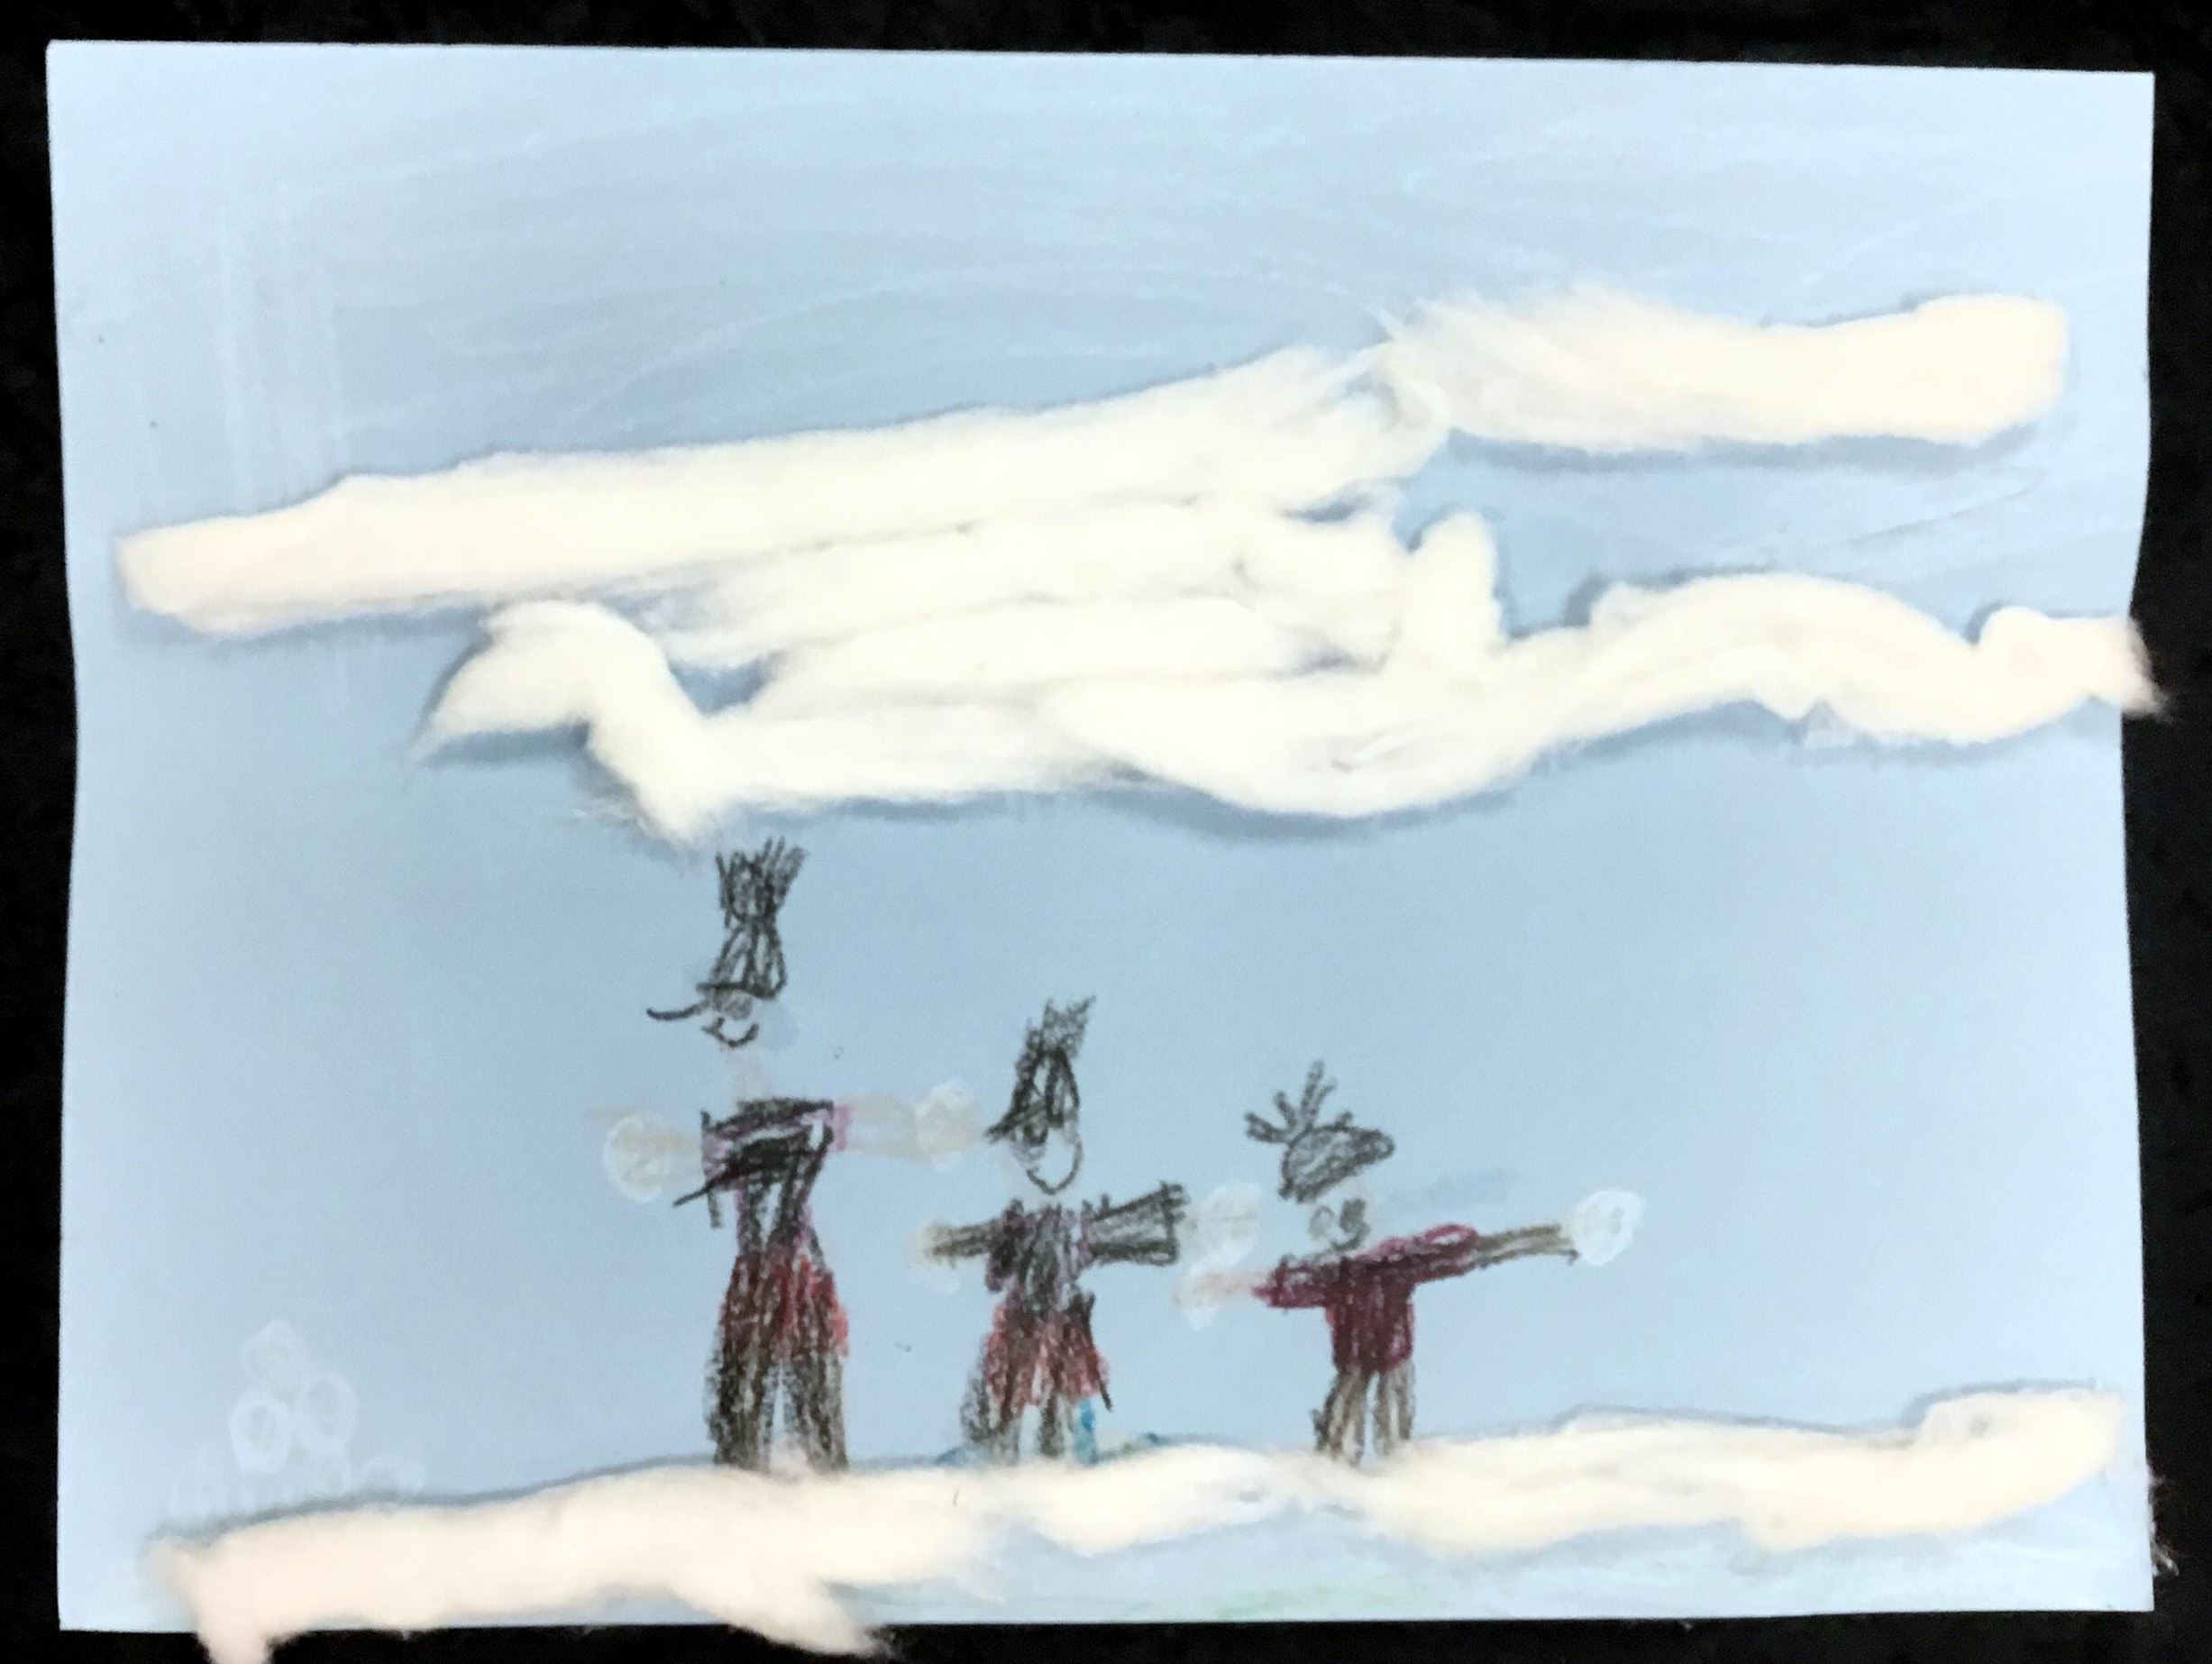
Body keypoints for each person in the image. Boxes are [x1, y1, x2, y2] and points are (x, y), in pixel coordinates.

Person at [1230, 1061, 1626, 1463]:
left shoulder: (1396, 1259)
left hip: (1391, 1359)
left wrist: (1552, 1237)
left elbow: (1473, 1251)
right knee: (1349, 1411)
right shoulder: (1335, 1274)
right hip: (1355, 1365)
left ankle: (1386, 1461)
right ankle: (1341, 1461)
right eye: (1322, 1210)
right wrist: (1234, 1285)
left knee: (1389, 1414)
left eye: (1345, 1202)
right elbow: (1286, 1286)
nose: (1335, 1218)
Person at [658, 838, 850, 1469]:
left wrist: (752, 1147)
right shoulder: (731, 1103)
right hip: (755, 1270)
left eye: (735, 1008)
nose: (720, 1024)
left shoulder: (797, 1101)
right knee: (740, 1402)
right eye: (718, 1009)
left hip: (792, 1266)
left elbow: (822, 1129)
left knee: (807, 1396)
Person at [927, 999, 1187, 1461]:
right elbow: (992, 1253)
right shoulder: (1021, 1223)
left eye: (1057, 1130)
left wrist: (1156, 1224)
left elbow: (1114, 1242)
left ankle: (1058, 1454)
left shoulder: (1072, 1225)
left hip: (1057, 1331)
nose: (1046, 1151)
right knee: (1010, 1401)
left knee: (1058, 1407)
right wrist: (952, 1244)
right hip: (1023, 1332)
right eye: (1031, 1135)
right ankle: (1012, 1452)